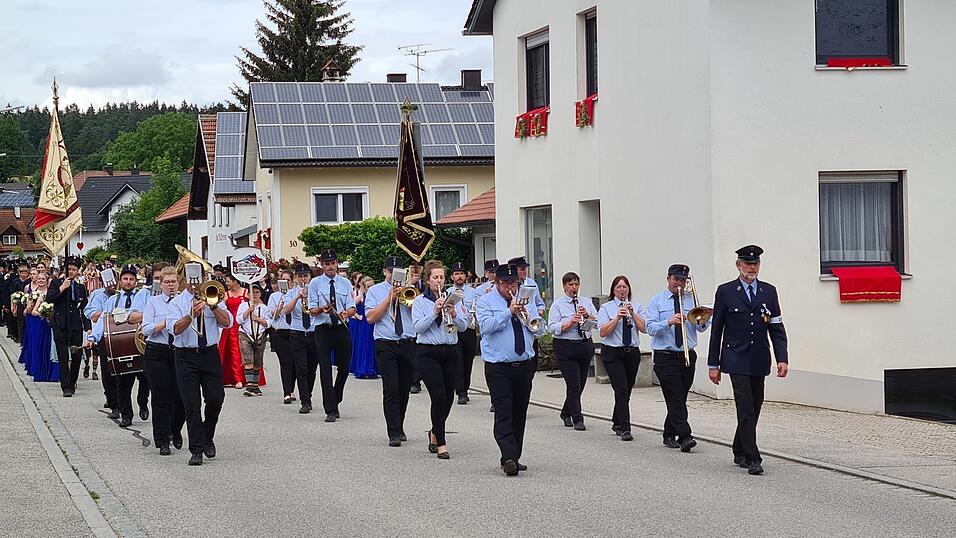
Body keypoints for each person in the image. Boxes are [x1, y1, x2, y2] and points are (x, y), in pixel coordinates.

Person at [708, 245, 789, 475]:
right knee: (745, 408)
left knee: (755, 405)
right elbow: (717, 330)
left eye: (755, 264)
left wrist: (782, 358)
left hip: (759, 357)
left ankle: (739, 448)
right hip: (735, 358)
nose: (751, 267)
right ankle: (753, 457)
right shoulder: (726, 291)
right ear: (738, 265)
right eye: (747, 264)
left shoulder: (768, 292)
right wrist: (713, 364)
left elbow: (776, 328)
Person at [477, 263, 544, 476]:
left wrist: (527, 316)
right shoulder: (486, 301)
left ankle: (514, 456)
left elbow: (540, 329)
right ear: (497, 283)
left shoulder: (526, 300)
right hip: (498, 367)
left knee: (519, 412)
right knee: (504, 411)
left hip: (524, 365)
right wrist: (508, 312)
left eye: (513, 283)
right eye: (505, 283)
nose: (510, 288)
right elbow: (485, 327)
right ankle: (508, 456)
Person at [167, 265, 233, 466]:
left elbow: (228, 323)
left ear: (204, 278)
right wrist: (191, 315)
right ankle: (196, 449)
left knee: (216, 398)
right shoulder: (177, 302)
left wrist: (213, 306)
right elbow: (175, 329)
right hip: (185, 356)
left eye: (198, 277)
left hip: (209, 354)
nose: (194, 282)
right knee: (192, 404)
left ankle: (207, 435)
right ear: (185, 279)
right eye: (190, 278)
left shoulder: (214, 297)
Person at [646, 264, 712, 453]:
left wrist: (707, 317)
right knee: (675, 397)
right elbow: (650, 328)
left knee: (679, 398)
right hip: (665, 356)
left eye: (683, 280)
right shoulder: (657, 301)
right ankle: (685, 436)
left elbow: (700, 328)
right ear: (668, 278)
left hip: (687, 355)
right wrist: (668, 322)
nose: (680, 283)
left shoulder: (691, 300)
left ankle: (669, 433)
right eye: (676, 279)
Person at [412, 261, 469, 460]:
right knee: (438, 397)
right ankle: (442, 443)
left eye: (442, 277)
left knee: (449, 397)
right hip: (428, 352)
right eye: (435, 277)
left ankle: (435, 431)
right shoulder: (420, 301)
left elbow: (464, 326)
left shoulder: (454, 298)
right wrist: (435, 312)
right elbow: (418, 327)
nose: (439, 281)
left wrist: (453, 312)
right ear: (428, 280)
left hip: (450, 351)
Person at [364, 256, 416, 447]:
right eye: (390, 271)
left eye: (397, 272)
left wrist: (408, 296)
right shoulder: (375, 291)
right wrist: (389, 299)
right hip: (385, 343)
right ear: (384, 272)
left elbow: (418, 314)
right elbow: (370, 318)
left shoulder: (411, 289)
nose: (393, 275)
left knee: (404, 388)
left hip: (407, 342)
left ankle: (399, 424)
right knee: (391, 387)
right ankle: (393, 431)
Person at [138, 266, 185, 456]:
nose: (170, 285)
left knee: (181, 397)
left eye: (173, 282)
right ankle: (162, 440)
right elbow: (146, 329)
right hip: (157, 351)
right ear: (161, 283)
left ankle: (175, 429)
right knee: (161, 397)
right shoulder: (153, 302)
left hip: (179, 351)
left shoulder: (183, 301)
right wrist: (166, 322)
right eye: (167, 282)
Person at [597, 276, 648, 441]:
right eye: (618, 287)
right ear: (613, 290)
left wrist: (632, 314)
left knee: (627, 390)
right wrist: (617, 318)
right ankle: (625, 428)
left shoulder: (636, 306)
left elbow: (644, 328)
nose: (622, 290)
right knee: (621, 390)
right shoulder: (606, 308)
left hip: (631, 352)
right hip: (612, 352)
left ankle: (617, 421)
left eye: (624, 287)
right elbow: (603, 332)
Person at [307, 248, 355, 423]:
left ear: (337, 264)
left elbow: (351, 306)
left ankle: (336, 396)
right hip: (323, 329)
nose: (330, 267)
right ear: (322, 265)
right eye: (326, 264)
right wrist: (322, 309)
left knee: (344, 368)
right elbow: (311, 310)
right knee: (325, 369)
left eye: (333, 263)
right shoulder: (315, 283)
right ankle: (330, 409)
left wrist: (347, 313)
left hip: (341, 328)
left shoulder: (345, 283)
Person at [547, 272, 598, 431]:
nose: (573, 288)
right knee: (573, 384)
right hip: (565, 347)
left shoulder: (586, 302)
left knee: (580, 384)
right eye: (570, 285)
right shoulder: (558, 305)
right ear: (564, 287)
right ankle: (578, 418)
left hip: (584, 344)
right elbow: (551, 327)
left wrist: (587, 315)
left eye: (576, 284)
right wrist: (569, 323)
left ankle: (565, 412)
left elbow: (597, 322)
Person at [46, 257, 90, 398]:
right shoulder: (56, 283)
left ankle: (72, 382)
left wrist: (88, 327)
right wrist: (62, 288)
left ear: (77, 271)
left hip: (75, 325)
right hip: (60, 324)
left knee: (77, 355)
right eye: (69, 269)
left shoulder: (80, 288)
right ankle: (65, 386)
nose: (71, 272)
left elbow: (85, 308)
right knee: (63, 356)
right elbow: (49, 298)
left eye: (74, 269)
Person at [284, 263, 318, 414]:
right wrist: (297, 297)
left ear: (310, 276)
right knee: (301, 368)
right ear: (296, 278)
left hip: (314, 332)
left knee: (312, 368)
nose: (303, 279)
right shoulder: (291, 292)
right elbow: (286, 310)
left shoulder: (316, 291)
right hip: (297, 332)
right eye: (300, 276)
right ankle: (305, 401)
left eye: (305, 276)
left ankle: (308, 394)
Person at [85, 268, 119, 418]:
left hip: (120, 337)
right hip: (104, 336)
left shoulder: (121, 295)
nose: (111, 286)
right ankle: (112, 401)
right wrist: (107, 313)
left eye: (113, 282)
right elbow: (91, 314)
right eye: (107, 283)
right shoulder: (97, 295)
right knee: (107, 371)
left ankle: (120, 401)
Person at [448, 262, 478, 405]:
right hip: (454, 328)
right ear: (452, 277)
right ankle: (461, 392)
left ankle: (465, 387)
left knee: (468, 360)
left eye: (461, 274)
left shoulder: (473, 292)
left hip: (469, 329)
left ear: (466, 276)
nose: (459, 276)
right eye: (456, 274)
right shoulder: (448, 292)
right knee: (458, 360)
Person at [266, 269, 297, 404]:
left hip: (294, 332)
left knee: (295, 363)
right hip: (280, 332)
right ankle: (287, 392)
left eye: (288, 280)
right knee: (286, 363)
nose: (285, 282)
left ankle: (291, 388)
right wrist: (280, 307)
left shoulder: (296, 294)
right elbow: (271, 315)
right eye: (283, 280)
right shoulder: (274, 296)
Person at [23, 271, 59, 382]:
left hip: (49, 323)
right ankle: (39, 370)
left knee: (50, 346)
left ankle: (52, 372)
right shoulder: (33, 294)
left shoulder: (51, 293)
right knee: (38, 345)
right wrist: (39, 311)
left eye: (43, 279)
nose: (41, 280)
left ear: (47, 281)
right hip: (37, 322)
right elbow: (30, 311)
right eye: (39, 279)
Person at [237, 283, 271, 397]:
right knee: (248, 360)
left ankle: (255, 386)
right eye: (252, 292)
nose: (255, 294)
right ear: (247, 294)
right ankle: (249, 385)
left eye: (257, 292)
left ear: (260, 294)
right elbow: (238, 320)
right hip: (246, 334)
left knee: (258, 361)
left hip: (259, 335)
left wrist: (259, 319)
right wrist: (248, 311)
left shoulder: (264, 307)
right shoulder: (243, 306)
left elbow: (268, 323)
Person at [219, 275, 248, 388]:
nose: (226, 283)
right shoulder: (226, 294)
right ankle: (237, 378)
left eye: (228, 281)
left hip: (244, 324)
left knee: (246, 351)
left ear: (235, 281)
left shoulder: (246, 292)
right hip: (231, 327)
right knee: (234, 352)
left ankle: (248, 377)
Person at [349, 275, 378, 379]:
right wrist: (361, 290)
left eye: (371, 286)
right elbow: (353, 305)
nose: (370, 288)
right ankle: (364, 369)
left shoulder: (375, 295)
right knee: (364, 345)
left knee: (372, 345)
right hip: (364, 323)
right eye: (368, 287)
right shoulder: (361, 295)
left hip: (373, 322)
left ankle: (373, 368)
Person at [407, 262, 425, 395]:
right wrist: (411, 285)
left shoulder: (425, 284)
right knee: (412, 354)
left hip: (423, 322)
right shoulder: (406, 284)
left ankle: (419, 378)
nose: (416, 271)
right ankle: (414, 381)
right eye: (413, 269)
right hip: (410, 323)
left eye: (418, 269)